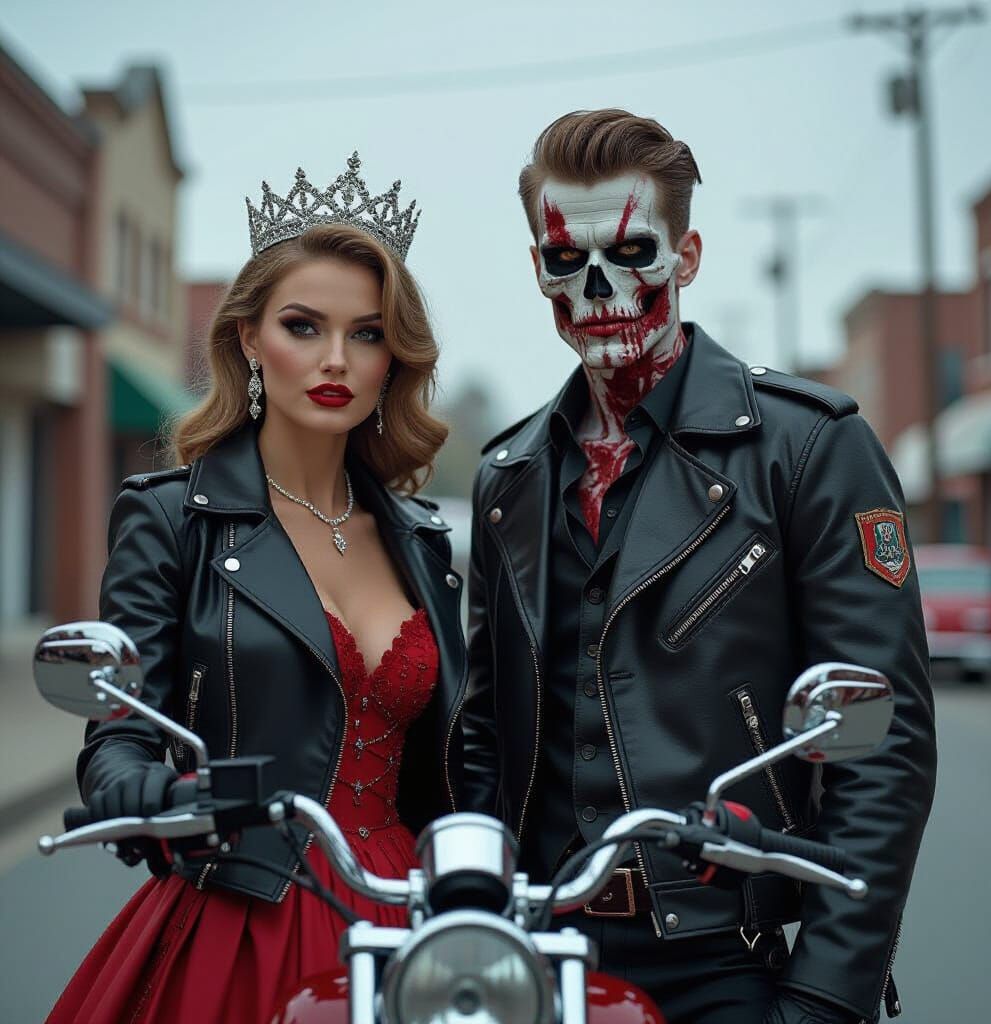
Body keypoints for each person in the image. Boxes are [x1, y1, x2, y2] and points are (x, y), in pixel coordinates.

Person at [462, 109, 936, 1024]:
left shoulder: (806, 447)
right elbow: (488, 733)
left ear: (687, 257)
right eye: (566, 260)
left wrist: (825, 994)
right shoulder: (506, 475)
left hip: (729, 958)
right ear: (538, 272)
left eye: (632, 250)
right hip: (534, 954)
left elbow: (884, 746)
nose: (597, 284)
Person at [47, 154, 467, 1023]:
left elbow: (471, 753)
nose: (336, 359)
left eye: (368, 333)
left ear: (395, 359)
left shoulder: (425, 540)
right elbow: (116, 738)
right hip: (244, 908)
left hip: (415, 916)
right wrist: (151, 793)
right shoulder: (170, 519)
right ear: (249, 338)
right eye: (304, 326)